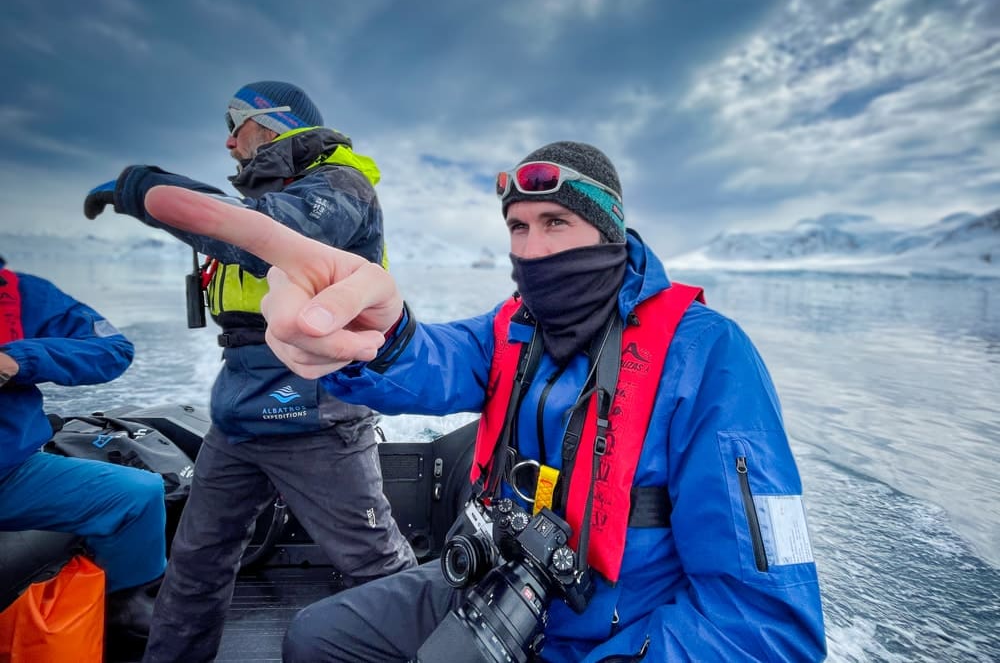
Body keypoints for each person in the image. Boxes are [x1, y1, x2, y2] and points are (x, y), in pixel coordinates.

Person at [139, 141, 827, 662]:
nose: (533, 249)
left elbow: (765, 620)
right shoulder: (515, 327)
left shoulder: (708, 356)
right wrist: (364, 335)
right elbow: (425, 358)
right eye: (518, 229)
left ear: (610, 229)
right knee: (317, 636)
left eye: (555, 222)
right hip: (492, 583)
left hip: (620, 630)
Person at [82, 81, 417, 662]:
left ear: (276, 123)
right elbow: (240, 218)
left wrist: (143, 188)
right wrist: (146, 193)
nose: (229, 140)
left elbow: (261, 236)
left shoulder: (340, 188)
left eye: (237, 123)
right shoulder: (265, 198)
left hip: (316, 415)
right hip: (238, 415)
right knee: (196, 563)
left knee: (375, 565)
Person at [0, 255, 166, 638]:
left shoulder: (22, 294)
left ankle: (125, 608)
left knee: (137, 494)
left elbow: (111, 349)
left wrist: (17, 359)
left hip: (11, 474)